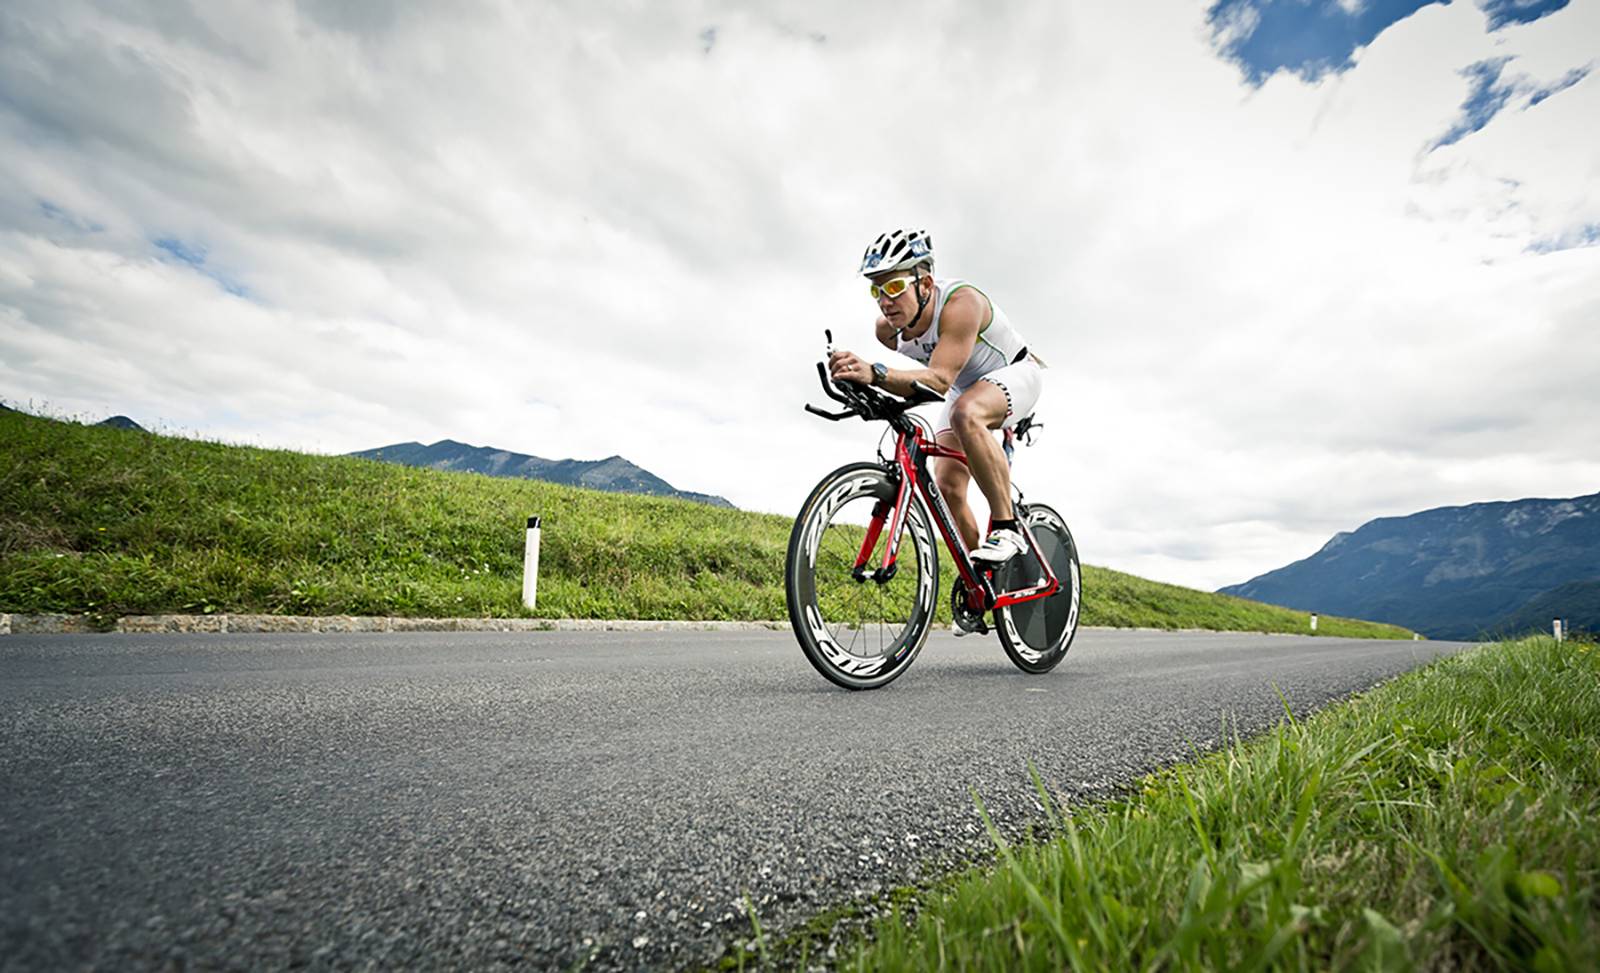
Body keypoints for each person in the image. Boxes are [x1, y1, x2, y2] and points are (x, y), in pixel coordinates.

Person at [828, 228, 1045, 586]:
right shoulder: (887, 330)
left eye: (895, 287)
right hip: (965, 387)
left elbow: (939, 379)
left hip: (1017, 374)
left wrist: (875, 372)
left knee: (967, 413)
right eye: (876, 290)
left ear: (925, 284)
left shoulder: (962, 304)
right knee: (948, 485)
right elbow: (918, 382)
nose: (885, 300)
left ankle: (1006, 527)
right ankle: (982, 580)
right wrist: (860, 384)